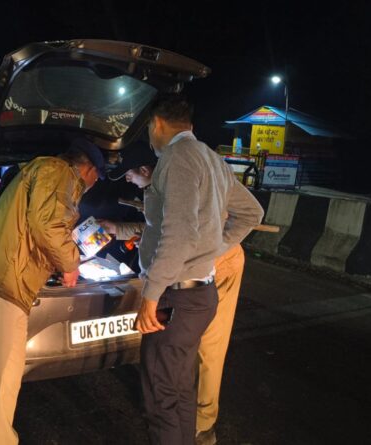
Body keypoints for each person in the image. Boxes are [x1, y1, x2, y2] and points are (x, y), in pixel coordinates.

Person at [0, 138, 106, 445]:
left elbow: (39, 227)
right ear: (88, 169)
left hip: (12, 288)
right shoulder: (57, 170)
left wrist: (58, 261)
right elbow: (46, 224)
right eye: (96, 177)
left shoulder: (49, 173)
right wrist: (71, 263)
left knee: (6, 379)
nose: (94, 185)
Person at [134, 95, 263, 445]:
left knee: (161, 396)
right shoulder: (211, 158)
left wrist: (150, 296)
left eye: (148, 128)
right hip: (200, 294)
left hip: (177, 296)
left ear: (157, 124)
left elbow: (178, 233)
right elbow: (252, 213)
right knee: (180, 389)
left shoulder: (176, 157)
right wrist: (214, 247)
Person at [103, 147, 253, 445]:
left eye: (130, 174)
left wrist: (152, 293)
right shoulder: (164, 183)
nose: (128, 181)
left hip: (214, 268)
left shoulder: (178, 177)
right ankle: (188, 424)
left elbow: (180, 237)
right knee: (182, 364)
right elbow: (159, 230)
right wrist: (118, 229)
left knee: (206, 350)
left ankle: (203, 425)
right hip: (195, 273)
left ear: (146, 170)